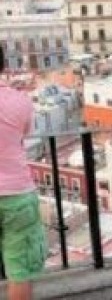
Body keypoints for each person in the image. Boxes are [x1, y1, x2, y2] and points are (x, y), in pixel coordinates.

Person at [0, 46, 46, 300]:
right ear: (4, 65)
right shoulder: (21, 101)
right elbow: (23, 134)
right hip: (17, 193)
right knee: (19, 272)